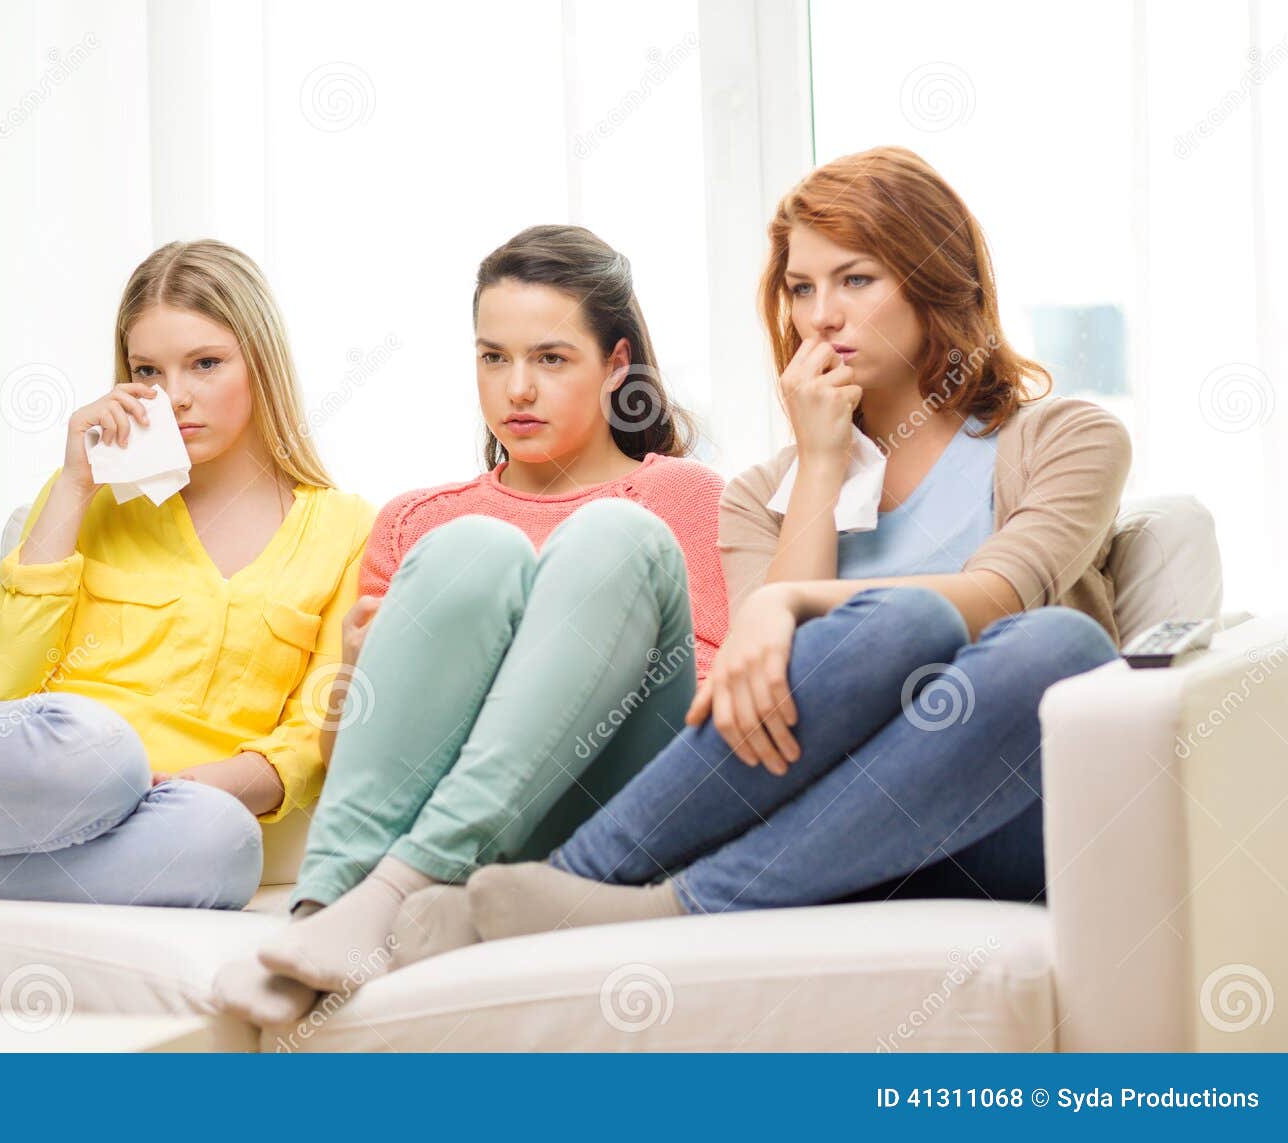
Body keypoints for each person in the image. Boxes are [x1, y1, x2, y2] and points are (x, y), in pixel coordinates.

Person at [404, 146, 1130, 950]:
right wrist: (821, 462)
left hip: (996, 810)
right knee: (895, 628)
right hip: (809, 826)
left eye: (856, 279)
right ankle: (594, 887)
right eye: (800, 288)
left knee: (1055, 644)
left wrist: (787, 599)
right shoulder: (758, 497)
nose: (821, 315)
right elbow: (764, 690)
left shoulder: (1064, 438)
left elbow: (998, 598)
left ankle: (636, 890)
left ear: (935, 280)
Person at [218, 224, 729, 1024]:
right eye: (494, 357)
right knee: (473, 548)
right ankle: (325, 910)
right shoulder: (417, 522)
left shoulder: (685, 497)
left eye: (551, 359)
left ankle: (392, 888)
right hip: (456, 834)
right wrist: (357, 672)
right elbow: (344, 758)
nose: (516, 389)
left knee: (611, 535)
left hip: (611, 813)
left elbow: (706, 714)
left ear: (617, 367)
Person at [0, 240, 373, 910]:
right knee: (101, 750)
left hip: (169, 805)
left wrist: (211, 782)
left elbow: (311, 728)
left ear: (260, 364)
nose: (175, 396)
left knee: (225, 845)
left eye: (205, 363)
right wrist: (73, 486)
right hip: (37, 764)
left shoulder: (346, 529)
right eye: (149, 370)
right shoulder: (89, 498)